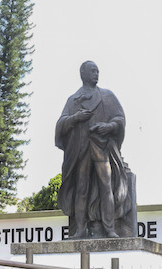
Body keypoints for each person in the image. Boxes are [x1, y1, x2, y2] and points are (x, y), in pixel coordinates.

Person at [55, 60, 132, 239]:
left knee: (106, 186)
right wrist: (75, 118)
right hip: (81, 150)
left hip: (101, 147)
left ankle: (110, 228)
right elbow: (61, 124)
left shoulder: (107, 96)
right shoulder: (73, 100)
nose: (96, 74)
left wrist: (109, 126)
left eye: (97, 71)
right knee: (81, 188)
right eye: (92, 71)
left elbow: (120, 119)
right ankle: (80, 229)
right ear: (83, 74)